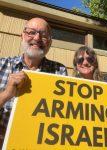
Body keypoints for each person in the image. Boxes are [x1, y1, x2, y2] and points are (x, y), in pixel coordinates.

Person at [0, 17, 67, 147]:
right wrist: (7, 94)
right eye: (31, 32)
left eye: (44, 35)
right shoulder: (2, 65)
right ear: (22, 36)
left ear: (50, 42)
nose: (37, 38)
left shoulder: (59, 71)